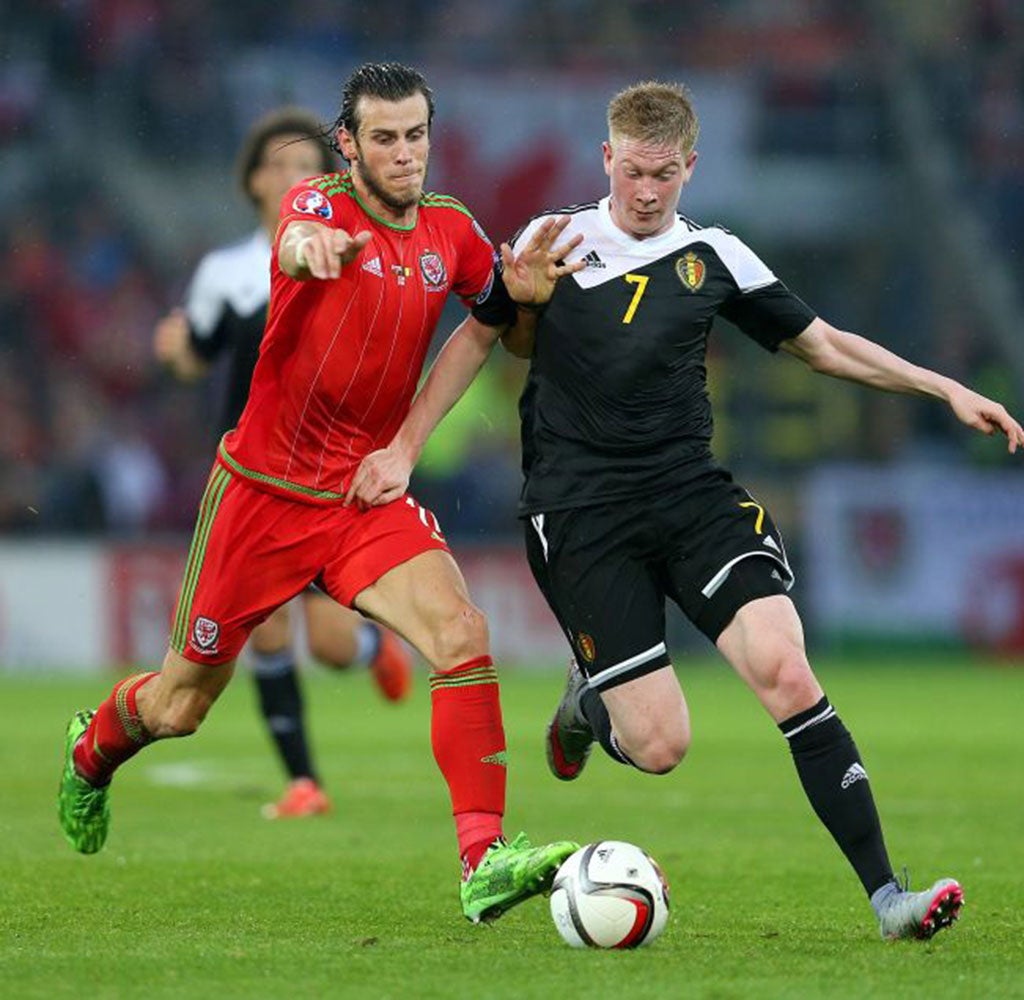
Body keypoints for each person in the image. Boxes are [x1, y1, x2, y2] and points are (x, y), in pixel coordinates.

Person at [345, 80, 1024, 940]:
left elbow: (823, 346)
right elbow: (483, 336)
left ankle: (891, 898)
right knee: (663, 747)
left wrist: (944, 387)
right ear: (607, 160)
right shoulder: (551, 243)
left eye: (664, 174)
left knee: (786, 670)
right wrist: (405, 448)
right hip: (581, 512)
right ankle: (590, 706)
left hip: (691, 494)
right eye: (632, 172)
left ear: (689, 167)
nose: (646, 192)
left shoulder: (717, 257)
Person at [58, 62, 581, 923]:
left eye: (417, 135)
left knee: (461, 632)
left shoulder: (452, 231)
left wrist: (515, 317)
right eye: (385, 138)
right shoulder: (319, 207)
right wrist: (314, 252)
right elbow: (295, 247)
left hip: (363, 493)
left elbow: (498, 327)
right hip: (260, 495)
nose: (405, 154)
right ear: (349, 145)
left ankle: (484, 862)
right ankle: (90, 754)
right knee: (179, 705)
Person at [153, 106, 413, 821]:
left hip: (327, 471)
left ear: (328, 179)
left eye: (304, 166)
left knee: (328, 645)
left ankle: (368, 649)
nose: (291, 176)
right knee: (264, 628)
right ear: (254, 181)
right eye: (277, 164)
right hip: (250, 472)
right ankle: (305, 782)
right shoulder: (226, 272)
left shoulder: (353, 251)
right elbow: (197, 353)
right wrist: (173, 350)